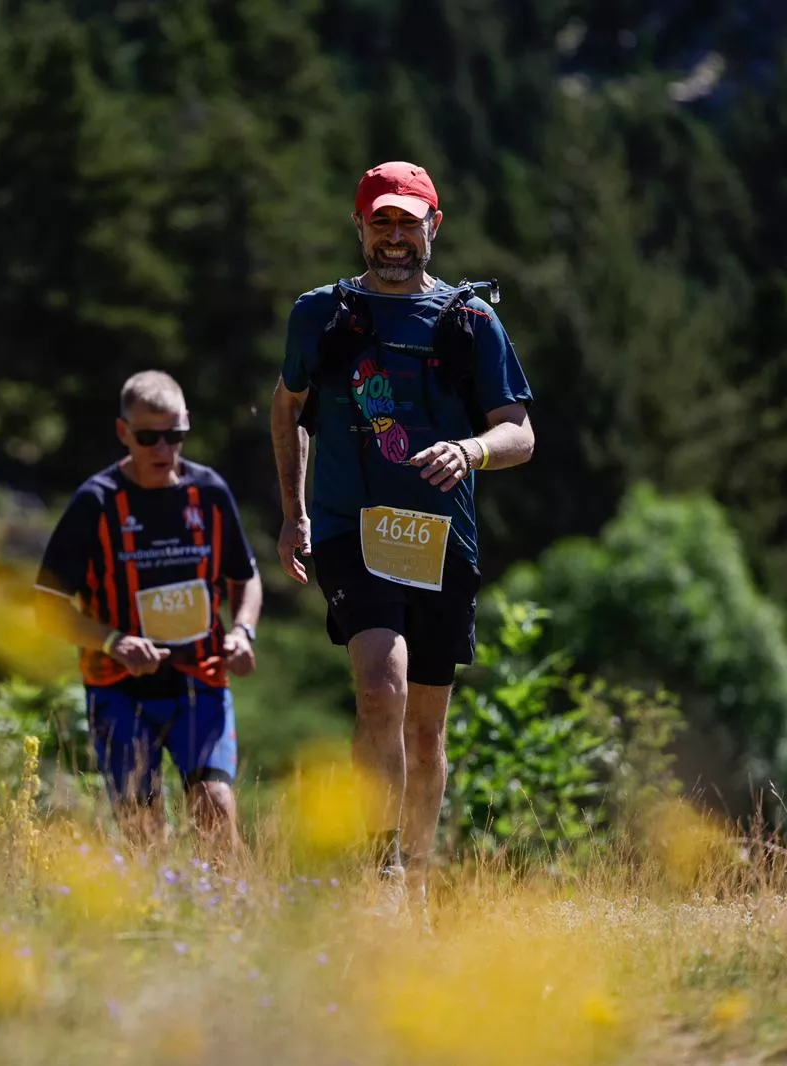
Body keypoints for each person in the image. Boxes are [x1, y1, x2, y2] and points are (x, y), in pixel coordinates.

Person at [269, 161, 534, 909]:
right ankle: (377, 874)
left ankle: (414, 880)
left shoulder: (472, 321)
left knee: (424, 729)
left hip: (442, 539)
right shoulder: (318, 315)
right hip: (351, 530)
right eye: (380, 221)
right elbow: (287, 407)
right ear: (358, 226)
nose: (394, 237)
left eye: (407, 223)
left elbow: (519, 432)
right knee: (379, 688)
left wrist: (471, 450)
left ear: (433, 227)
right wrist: (293, 512)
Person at [35, 370, 263, 859]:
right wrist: (113, 641)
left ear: (187, 426)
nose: (163, 449)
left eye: (174, 436)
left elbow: (246, 576)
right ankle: (160, 906)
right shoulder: (96, 502)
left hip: (200, 681)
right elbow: (46, 606)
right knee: (143, 830)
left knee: (215, 808)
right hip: (119, 690)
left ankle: (236, 904)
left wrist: (243, 631)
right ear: (124, 432)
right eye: (148, 438)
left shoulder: (209, 492)